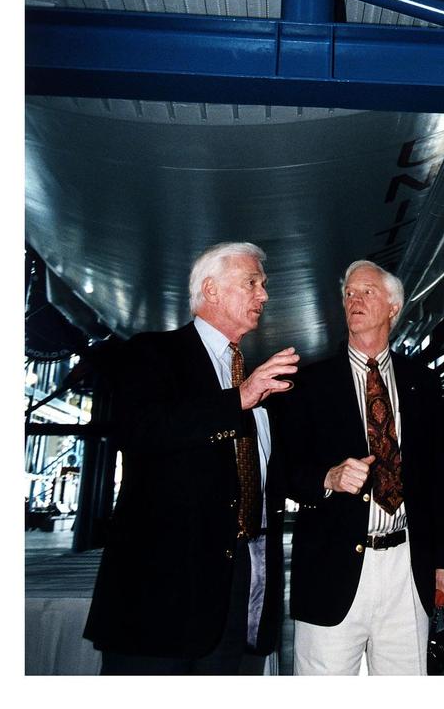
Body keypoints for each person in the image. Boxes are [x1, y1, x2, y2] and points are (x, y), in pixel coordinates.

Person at [84, 242, 299, 674]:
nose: (264, 295)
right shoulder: (151, 353)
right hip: (159, 600)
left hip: (238, 593)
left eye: (263, 285)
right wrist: (237, 398)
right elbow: (141, 431)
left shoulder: (259, 380)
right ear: (211, 290)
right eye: (252, 283)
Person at [280, 261, 444, 675]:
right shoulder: (309, 384)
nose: (354, 300)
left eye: (367, 292)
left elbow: (438, 480)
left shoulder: (423, 383)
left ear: (393, 307)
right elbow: (283, 471)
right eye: (349, 294)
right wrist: (327, 478)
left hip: (405, 567)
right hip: (331, 569)